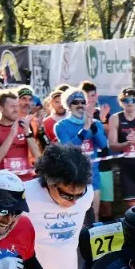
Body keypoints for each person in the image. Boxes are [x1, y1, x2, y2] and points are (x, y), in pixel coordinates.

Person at [53, 88, 108, 222]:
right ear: (69, 106)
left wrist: (93, 126)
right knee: (78, 217)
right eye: (75, 102)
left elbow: (103, 145)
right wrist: (85, 130)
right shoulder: (61, 126)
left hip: (93, 174)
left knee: (94, 215)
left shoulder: (96, 124)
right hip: (74, 176)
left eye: (82, 102)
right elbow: (69, 149)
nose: (80, 105)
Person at [0, 89, 40, 181]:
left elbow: (36, 155)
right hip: (3, 180)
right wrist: (12, 134)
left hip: (25, 179)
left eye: (17, 106)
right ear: (0, 108)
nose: (16, 110)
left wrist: (27, 133)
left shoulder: (24, 125)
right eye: (12, 106)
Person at [79, 81, 115, 222]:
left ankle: (107, 234)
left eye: (92, 95)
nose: (89, 98)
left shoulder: (103, 112)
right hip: (85, 164)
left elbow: (107, 139)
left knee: (105, 203)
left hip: (103, 162)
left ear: (96, 95)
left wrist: (102, 120)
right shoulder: (77, 116)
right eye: (86, 95)